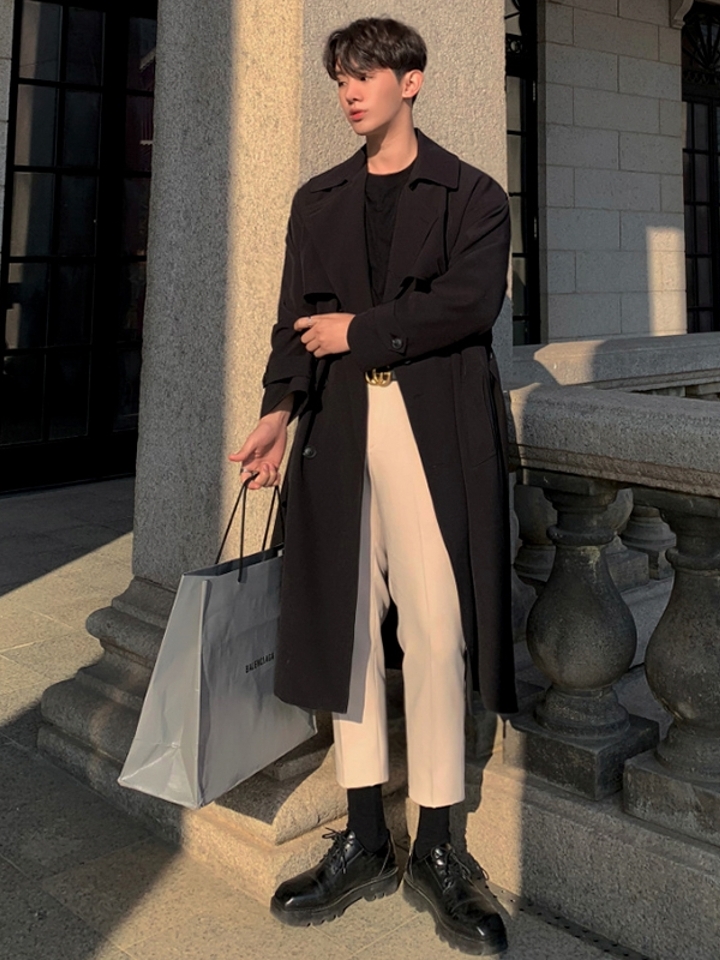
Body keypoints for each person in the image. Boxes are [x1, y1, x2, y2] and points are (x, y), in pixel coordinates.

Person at [230, 16, 517, 956]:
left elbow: (469, 304)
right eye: (341, 77)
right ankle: (362, 836)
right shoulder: (318, 199)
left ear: (412, 80)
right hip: (341, 426)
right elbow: (293, 318)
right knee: (346, 626)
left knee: (436, 630)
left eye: (365, 74)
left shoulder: (473, 194)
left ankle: (437, 844)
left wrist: (359, 330)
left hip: (433, 427)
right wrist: (278, 409)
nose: (350, 91)